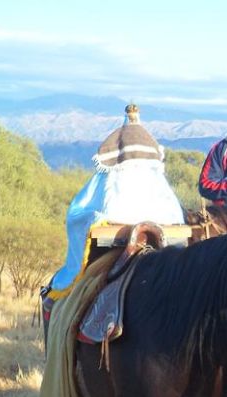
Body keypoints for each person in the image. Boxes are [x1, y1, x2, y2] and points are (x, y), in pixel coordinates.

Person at [42, 104, 185, 331]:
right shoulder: (164, 198)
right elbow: (177, 220)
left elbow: (78, 215)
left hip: (114, 240)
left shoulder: (107, 185)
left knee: (69, 289)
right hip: (164, 236)